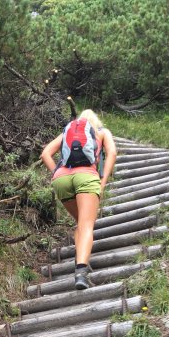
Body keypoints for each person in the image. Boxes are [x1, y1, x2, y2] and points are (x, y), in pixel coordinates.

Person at [40, 109, 117, 289]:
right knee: (87, 225)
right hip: (87, 176)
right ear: (96, 121)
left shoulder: (68, 131)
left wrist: (56, 174)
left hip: (61, 179)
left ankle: (80, 259)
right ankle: (81, 272)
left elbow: (45, 154)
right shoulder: (102, 132)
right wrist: (103, 181)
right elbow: (112, 153)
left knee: (80, 224)